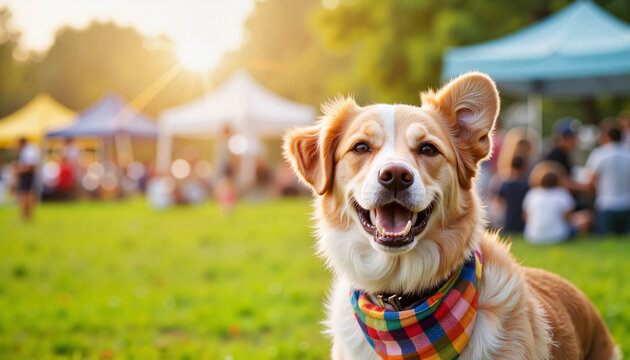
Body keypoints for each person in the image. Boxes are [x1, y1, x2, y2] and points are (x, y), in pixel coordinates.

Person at [522, 162, 587, 245]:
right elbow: (568, 218)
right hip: (558, 236)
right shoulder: (562, 194)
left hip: (533, 237)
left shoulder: (532, 194)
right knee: (584, 218)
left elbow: (525, 217)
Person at [584, 124, 630, 235]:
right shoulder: (628, 153)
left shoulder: (599, 154)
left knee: (606, 241)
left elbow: (589, 182)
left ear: (605, 137)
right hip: (627, 204)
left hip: (606, 205)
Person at [496, 156, 529, 233]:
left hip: (509, 221)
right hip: (522, 224)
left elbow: (499, 201)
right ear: (524, 167)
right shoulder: (526, 185)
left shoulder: (506, 184)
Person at [14, 137, 40, 220]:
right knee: (27, 194)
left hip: (27, 175)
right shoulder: (29, 149)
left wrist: (19, 171)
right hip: (28, 175)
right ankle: (27, 215)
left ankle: (25, 215)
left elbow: (31, 166)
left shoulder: (28, 150)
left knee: (25, 195)